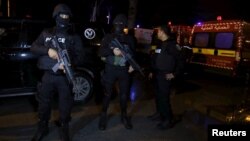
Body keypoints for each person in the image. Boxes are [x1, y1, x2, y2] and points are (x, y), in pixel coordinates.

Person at [30, 3, 85, 141]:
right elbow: (34, 47)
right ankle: (43, 128)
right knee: (44, 105)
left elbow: (81, 57)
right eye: (62, 16)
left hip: (64, 77)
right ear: (56, 17)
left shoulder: (74, 36)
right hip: (48, 76)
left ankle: (64, 129)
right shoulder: (46, 33)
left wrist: (69, 63)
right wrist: (48, 50)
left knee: (65, 106)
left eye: (67, 16)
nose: (64, 18)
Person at [98, 14, 135, 130]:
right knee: (107, 94)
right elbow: (100, 52)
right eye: (117, 24)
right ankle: (103, 116)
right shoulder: (108, 37)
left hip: (124, 69)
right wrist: (112, 50)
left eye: (121, 24)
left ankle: (124, 116)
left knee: (124, 95)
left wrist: (132, 65)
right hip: (111, 69)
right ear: (114, 25)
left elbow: (133, 53)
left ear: (124, 26)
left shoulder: (130, 38)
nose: (119, 26)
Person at [148, 25, 183, 130]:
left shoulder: (173, 45)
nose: (157, 33)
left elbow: (181, 61)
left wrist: (174, 74)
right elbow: (155, 58)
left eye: (158, 31)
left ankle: (168, 119)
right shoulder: (160, 44)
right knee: (158, 96)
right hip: (157, 74)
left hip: (166, 75)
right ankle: (160, 113)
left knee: (164, 98)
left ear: (163, 32)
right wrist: (152, 71)